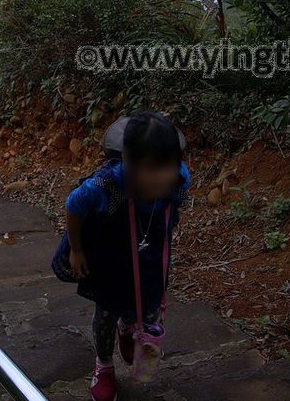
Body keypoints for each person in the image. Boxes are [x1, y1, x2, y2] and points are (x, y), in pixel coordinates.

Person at [64, 111, 190, 401]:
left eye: (168, 166)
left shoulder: (179, 180)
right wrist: (77, 248)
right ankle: (104, 365)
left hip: (149, 260)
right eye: (151, 168)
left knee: (147, 310)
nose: (162, 177)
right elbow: (74, 206)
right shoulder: (108, 185)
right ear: (129, 164)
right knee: (107, 312)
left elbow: (176, 209)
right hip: (110, 261)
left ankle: (130, 328)